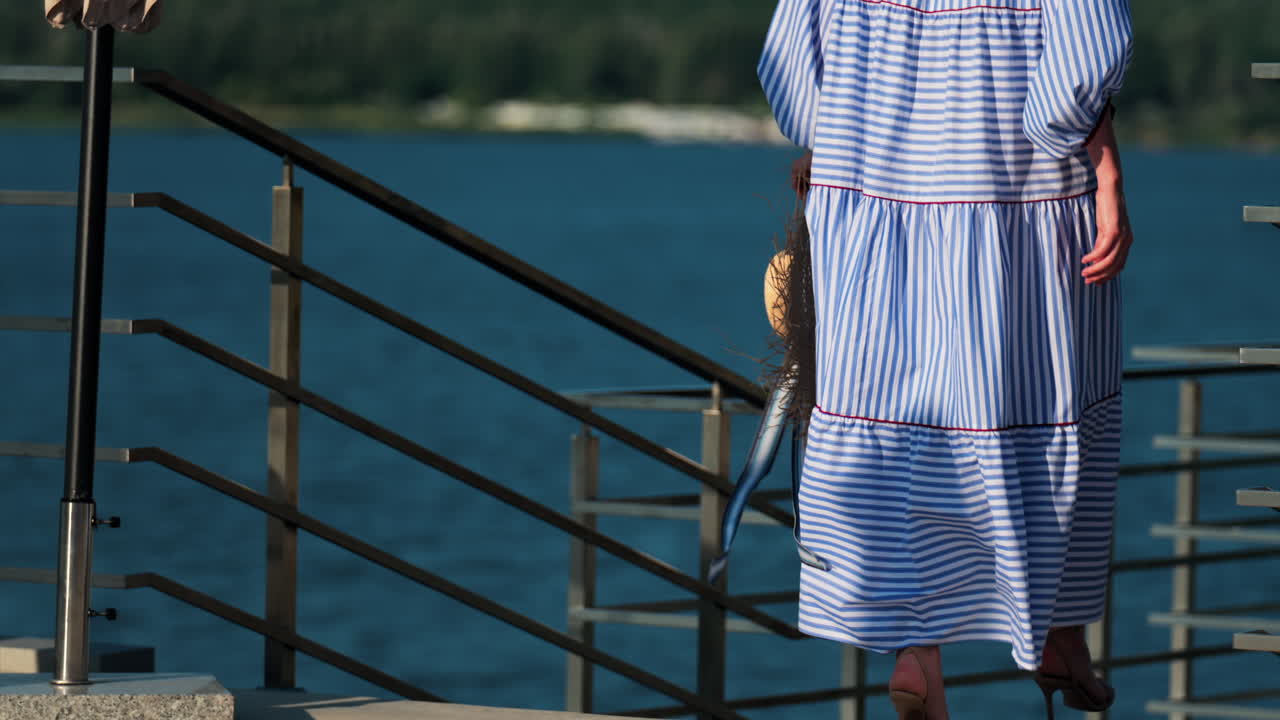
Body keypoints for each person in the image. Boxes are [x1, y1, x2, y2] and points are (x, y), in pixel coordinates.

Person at [756, 1, 1135, 718]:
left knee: (894, 411)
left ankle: (915, 654)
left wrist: (836, 136)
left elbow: (791, 67)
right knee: (1042, 397)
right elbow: (1077, 68)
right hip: (1012, 199)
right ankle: (1058, 633)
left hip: (869, 200)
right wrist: (1106, 161)